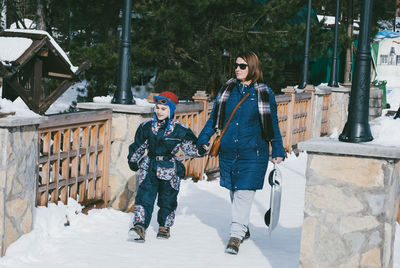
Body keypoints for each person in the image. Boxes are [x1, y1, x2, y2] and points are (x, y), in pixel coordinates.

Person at [197, 51, 285, 255]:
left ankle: (235, 235)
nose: (237, 69)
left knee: (244, 193)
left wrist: (278, 149)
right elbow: (214, 119)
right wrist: (203, 138)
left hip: (253, 153)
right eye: (236, 65)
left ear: (252, 68)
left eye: (242, 66)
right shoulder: (227, 89)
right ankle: (243, 227)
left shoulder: (264, 93)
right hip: (229, 152)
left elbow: (272, 124)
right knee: (235, 191)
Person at [127, 91, 206, 243]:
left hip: (169, 170)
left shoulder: (180, 129)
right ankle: (139, 227)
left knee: (167, 199)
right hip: (149, 166)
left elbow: (190, 147)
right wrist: (133, 159)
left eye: (163, 109)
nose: (159, 111)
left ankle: (164, 226)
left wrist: (200, 150)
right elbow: (139, 145)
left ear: (171, 110)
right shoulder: (147, 126)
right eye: (157, 108)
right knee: (144, 198)